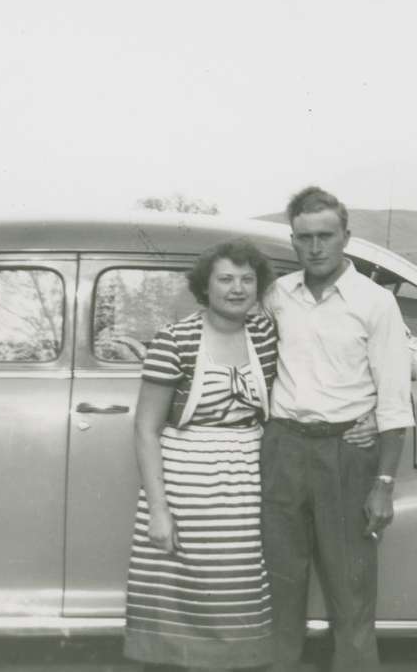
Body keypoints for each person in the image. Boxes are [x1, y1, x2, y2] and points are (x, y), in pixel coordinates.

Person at [261, 186, 414, 672]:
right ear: (293, 239)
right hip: (283, 447)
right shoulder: (277, 295)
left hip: (346, 453)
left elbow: (393, 395)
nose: (315, 246)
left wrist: (383, 483)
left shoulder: (375, 303)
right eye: (304, 237)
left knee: (351, 587)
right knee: (281, 582)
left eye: (326, 235)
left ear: (346, 236)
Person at [124, 239, 278, 672]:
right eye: (225, 278)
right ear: (205, 286)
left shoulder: (265, 336)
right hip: (185, 484)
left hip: (245, 483)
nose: (237, 288)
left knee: (238, 590)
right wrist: (159, 511)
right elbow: (146, 428)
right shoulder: (175, 341)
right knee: (181, 596)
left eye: (247, 279)